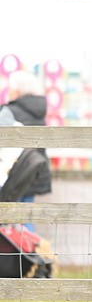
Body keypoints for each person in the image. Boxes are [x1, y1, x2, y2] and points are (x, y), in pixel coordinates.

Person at [2, 71, 51, 204]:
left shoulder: (9, 111)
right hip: (35, 170)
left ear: (17, 91)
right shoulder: (40, 110)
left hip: (13, 174)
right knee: (26, 214)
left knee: (10, 218)